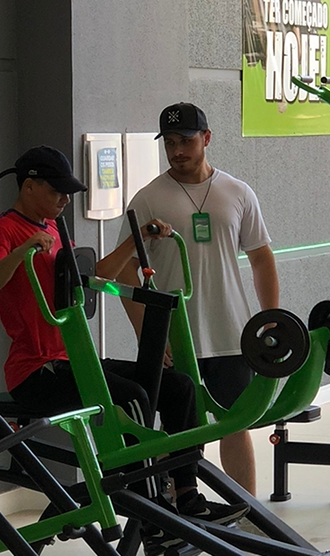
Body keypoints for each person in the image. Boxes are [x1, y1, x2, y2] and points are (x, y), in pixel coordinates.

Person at [0, 146, 249, 556]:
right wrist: (20, 252)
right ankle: (153, 518)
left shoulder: (54, 230)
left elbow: (95, 275)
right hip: (36, 371)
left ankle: (187, 497)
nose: (65, 200)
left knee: (178, 387)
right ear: (29, 186)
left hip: (74, 360)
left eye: (68, 194)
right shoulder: (6, 230)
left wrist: (140, 242)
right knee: (132, 398)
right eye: (56, 192)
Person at [117, 103, 279, 496]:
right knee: (178, 429)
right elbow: (124, 271)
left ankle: (245, 510)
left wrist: (270, 319)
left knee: (235, 424)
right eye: (170, 143)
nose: (177, 151)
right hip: (175, 338)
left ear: (206, 138)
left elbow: (261, 258)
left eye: (186, 141)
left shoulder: (237, 192)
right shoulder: (148, 199)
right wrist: (148, 333)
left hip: (231, 334)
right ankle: (176, 507)